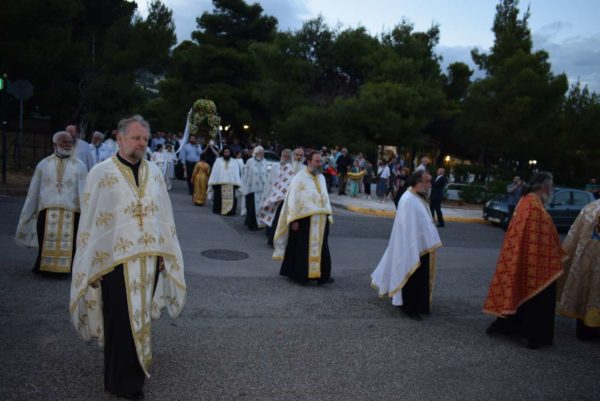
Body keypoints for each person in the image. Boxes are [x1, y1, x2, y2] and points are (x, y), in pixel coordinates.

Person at [69, 115, 186, 400]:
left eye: (145, 139)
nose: (141, 143)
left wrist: (164, 252)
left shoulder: (155, 173)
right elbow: (91, 221)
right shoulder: (100, 173)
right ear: (119, 139)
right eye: (136, 138)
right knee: (120, 320)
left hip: (148, 260)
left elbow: (164, 215)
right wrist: (92, 263)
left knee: (141, 318)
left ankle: (130, 377)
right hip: (114, 263)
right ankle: (123, 382)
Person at [484, 172, 564, 349]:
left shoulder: (527, 201)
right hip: (535, 261)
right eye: (551, 186)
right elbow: (538, 237)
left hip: (525, 256)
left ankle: (509, 326)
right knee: (536, 296)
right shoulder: (533, 206)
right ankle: (529, 333)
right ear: (545, 187)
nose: (552, 190)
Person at [371, 171, 442, 320]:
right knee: (412, 278)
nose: (430, 185)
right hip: (411, 247)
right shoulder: (408, 199)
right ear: (417, 182)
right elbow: (407, 228)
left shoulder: (418, 197)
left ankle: (419, 305)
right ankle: (409, 307)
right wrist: (414, 246)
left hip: (421, 246)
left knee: (420, 278)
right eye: (427, 182)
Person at [15, 131, 87, 275]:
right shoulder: (44, 164)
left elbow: (85, 190)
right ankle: (43, 267)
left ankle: (66, 269)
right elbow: (34, 189)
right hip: (47, 208)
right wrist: (30, 209)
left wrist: (86, 209)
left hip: (72, 209)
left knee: (70, 241)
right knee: (45, 239)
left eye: (70, 142)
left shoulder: (80, 165)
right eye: (64, 142)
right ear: (55, 144)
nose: (67, 145)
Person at [274, 151, 334, 285]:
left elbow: (324, 197)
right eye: (317, 161)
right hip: (304, 219)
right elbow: (293, 199)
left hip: (321, 219)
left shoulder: (321, 177)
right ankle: (300, 276)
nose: (319, 164)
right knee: (302, 248)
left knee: (322, 247)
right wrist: (294, 220)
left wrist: (328, 214)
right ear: (309, 161)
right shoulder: (299, 178)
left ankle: (322, 276)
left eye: (320, 161)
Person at [558, 198, 600, 341]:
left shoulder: (589, 208)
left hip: (585, 261)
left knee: (582, 289)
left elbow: (572, 238)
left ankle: (583, 331)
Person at [258, 149, 295, 246]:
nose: (285, 157)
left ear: (289, 157)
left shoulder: (291, 168)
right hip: (272, 193)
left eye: (287, 156)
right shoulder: (275, 166)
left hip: (282, 196)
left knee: (277, 217)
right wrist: (267, 193)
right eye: (283, 155)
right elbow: (269, 180)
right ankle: (269, 232)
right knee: (270, 212)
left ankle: (274, 236)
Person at [208, 147, 242, 215]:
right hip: (219, 183)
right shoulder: (218, 161)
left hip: (231, 184)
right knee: (219, 198)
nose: (226, 153)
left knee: (231, 198)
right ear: (223, 153)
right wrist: (214, 181)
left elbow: (236, 173)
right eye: (225, 152)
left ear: (230, 153)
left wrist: (237, 182)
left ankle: (230, 211)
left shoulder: (234, 161)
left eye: (228, 152)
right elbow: (215, 172)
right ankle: (219, 210)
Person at [241, 146, 268, 230]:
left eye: (263, 152)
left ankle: (259, 223)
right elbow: (245, 174)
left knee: (260, 207)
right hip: (251, 188)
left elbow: (267, 174)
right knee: (251, 207)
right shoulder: (250, 161)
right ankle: (252, 224)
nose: (262, 154)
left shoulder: (265, 161)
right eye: (260, 152)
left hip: (262, 189)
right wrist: (244, 186)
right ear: (256, 153)